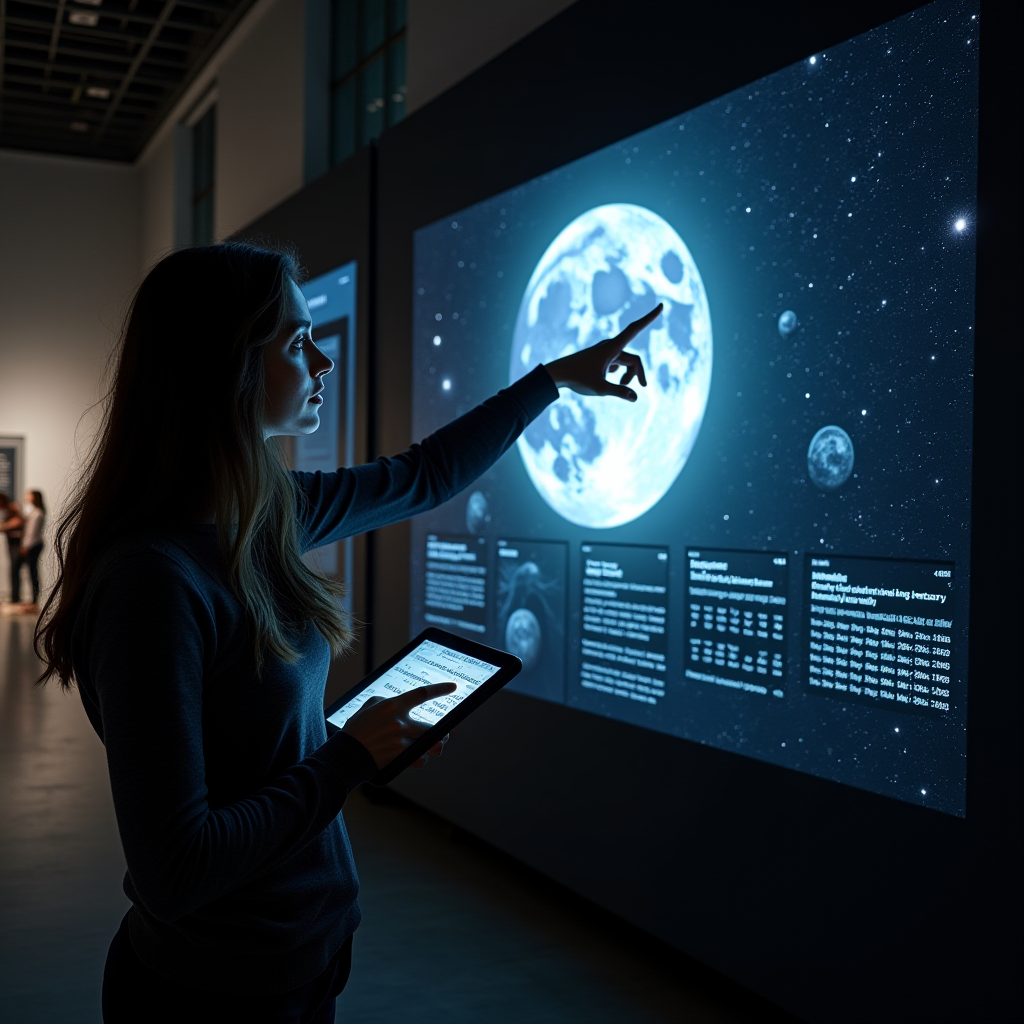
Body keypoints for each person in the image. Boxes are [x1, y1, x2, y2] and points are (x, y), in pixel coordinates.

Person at [35, 243, 658, 1024]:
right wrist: (351, 756)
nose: (322, 362)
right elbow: (177, 869)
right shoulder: (151, 582)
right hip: (212, 994)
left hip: (307, 954)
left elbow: (426, 475)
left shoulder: (266, 511)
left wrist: (556, 379)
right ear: (226, 365)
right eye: (296, 342)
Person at [19, 489, 46, 613]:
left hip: (33, 545)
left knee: (32, 572)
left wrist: (25, 546)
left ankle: (34, 601)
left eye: (28, 494)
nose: (26, 496)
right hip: (32, 545)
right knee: (31, 572)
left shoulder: (37, 513)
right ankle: (33, 600)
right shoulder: (34, 512)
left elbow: (31, 533)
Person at [0, 492, 24, 607]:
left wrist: (4, 526)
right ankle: (14, 596)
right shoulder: (7, 510)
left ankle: (16, 597)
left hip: (17, 543)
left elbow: (18, 521)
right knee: (13, 570)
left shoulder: (13, 507)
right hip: (11, 542)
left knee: (15, 569)